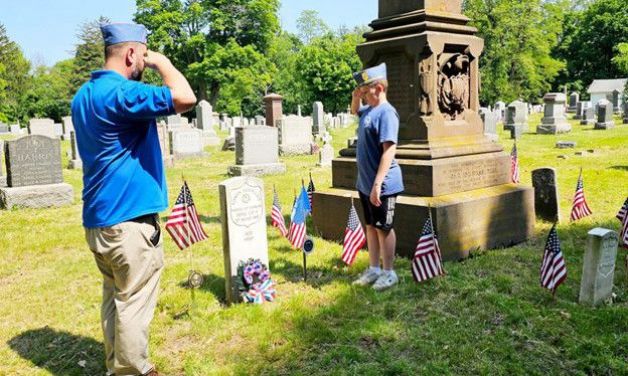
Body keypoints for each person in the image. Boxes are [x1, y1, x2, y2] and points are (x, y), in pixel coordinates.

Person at [71, 22, 196, 376]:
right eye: (142, 54)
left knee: (115, 298)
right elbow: (185, 97)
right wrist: (162, 62)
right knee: (133, 302)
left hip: (98, 219)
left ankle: (116, 365)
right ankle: (132, 371)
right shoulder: (123, 94)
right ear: (130, 54)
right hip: (129, 222)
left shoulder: (84, 95)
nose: (145, 60)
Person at [350, 63, 404, 291]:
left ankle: (389, 272)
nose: (363, 95)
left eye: (366, 91)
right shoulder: (369, 110)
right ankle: (374, 268)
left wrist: (378, 184)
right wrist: (356, 95)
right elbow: (354, 110)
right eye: (361, 92)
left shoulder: (386, 113)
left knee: (383, 227)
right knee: (370, 226)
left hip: (382, 185)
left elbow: (389, 151)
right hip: (366, 183)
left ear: (379, 88)